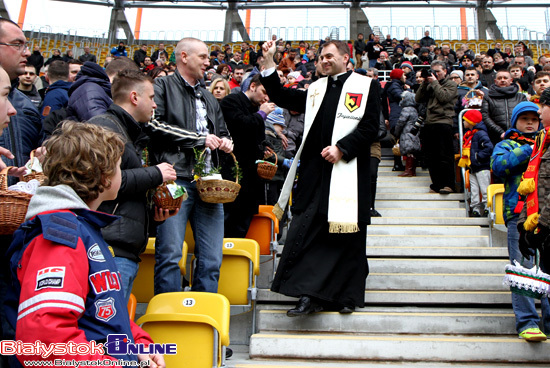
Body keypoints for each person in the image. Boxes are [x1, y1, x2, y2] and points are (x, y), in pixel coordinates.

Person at [5, 122, 165, 367]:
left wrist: (136, 344)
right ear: (104, 177)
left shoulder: (79, 227)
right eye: (119, 167)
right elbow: (47, 341)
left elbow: (103, 312)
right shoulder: (60, 233)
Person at [260, 38, 380, 315]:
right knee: (307, 230)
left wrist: (343, 148)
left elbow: (372, 126)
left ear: (346, 58)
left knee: (347, 235)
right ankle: (308, 295)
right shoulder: (315, 88)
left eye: (329, 56)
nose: (323, 61)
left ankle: (345, 296)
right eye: (320, 58)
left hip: (348, 170)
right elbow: (283, 97)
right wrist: (268, 64)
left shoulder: (366, 86)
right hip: (315, 172)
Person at [146, 37, 233, 295]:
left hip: (209, 183)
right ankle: (168, 316)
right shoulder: (161, 85)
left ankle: (202, 315)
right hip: (175, 179)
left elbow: (223, 131)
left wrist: (227, 142)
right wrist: (198, 139)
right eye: (203, 57)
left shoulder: (208, 96)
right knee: (170, 254)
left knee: (212, 260)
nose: (209, 62)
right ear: (183, 56)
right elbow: (153, 125)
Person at [88, 70, 178, 304]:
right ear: (135, 98)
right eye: (151, 98)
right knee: (105, 334)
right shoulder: (104, 127)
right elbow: (104, 182)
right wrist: (156, 173)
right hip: (107, 250)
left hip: (121, 249)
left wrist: (153, 216)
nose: (155, 105)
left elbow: (123, 197)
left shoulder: (128, 131)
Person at [492, 101, 550, 342]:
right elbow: (499, 166)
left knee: (547, 269)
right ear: (514, 121)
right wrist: (530, 149)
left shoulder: (546, 142)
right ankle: (527, 321)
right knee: (522, 267)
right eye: (524, 119)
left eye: (533, 119)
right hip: (519, 215)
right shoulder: (506, 144)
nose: (529, 123)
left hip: (545, 213)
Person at [220, 73, 275, 237]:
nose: (265, 98)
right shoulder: (231, 101)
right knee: (229, 218)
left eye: (268, 95)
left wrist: (264, 147)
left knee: (244, 219)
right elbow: (240, 126)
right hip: (234, 172)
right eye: (263, 92)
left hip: (252, 176)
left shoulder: (255, 108)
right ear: (252, 86)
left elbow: (255, 136)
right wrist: (261, 114)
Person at [415, 60, 458, 194]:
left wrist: (434, 82)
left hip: (443, 122)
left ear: (445, 71)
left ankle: (448, 184)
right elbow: (418, 99)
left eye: (438, 71)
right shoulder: (429, 84)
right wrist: (424, 83)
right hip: (429, 123)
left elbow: (444, 97)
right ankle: (436, 184)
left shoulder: (451, 84)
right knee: (431, 157)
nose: (435, 74)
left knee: (445, 155)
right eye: (433, 71)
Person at [458, 110, 493, 216]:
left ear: (471, 121)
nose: (463, 122)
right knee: (474, 189)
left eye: (465, 120)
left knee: (484, 187)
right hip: (473, 167)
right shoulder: (470, 135)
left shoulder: (480, 134)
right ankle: (475, 208)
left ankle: (488, 206)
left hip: (481, 166)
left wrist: (478, 157)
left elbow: (489, 147)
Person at [481, 69, 527, 145]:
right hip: (495, 137)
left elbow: (524, 114)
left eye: (505, 78)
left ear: (511, 80)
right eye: (499, 78)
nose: (502, 80)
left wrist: (515, 131)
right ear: (495, 81)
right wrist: (500, 132)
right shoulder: (488, 97)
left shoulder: (520, 97)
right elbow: (485, 116)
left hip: (518, 135)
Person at [394, 91, 420, 177]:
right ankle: (413, 171)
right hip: (414, 133)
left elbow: (401, 122)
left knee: (409, 151)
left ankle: (408, 170)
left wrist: (396, 132)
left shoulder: (406, 109)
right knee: (413, 151)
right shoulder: (415, 109)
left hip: (407, 133)